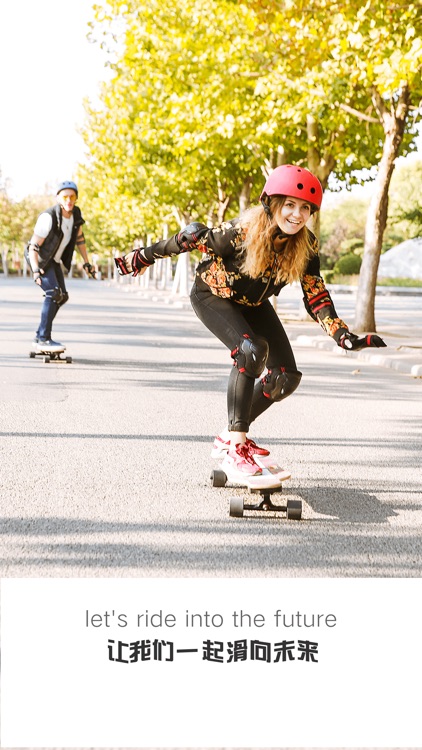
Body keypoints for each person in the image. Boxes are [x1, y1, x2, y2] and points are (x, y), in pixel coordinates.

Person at [115, 164, 386, 478]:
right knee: (251, 350)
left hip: (253, 304)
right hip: (212, 294)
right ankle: (236, 446)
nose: (297, 215)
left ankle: (229, 437)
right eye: (289, 205)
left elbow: (315, 294)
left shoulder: (307, 246)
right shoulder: (242, 231)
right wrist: (143, 257)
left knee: (285, 377)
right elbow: (192, 237)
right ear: (271, 204)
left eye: (305, 208)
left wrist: (343, 336)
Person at [26, 181, 96, 352]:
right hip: (40, 259)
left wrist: (87, 263)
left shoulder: (75, 215)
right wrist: (36, 270)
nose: (69, 200)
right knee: (53, 293)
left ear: (76, 198)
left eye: (72, 196)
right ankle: (44, 338)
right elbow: (33, 247)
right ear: (58, 198)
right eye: (65, 196)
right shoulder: (48, 217)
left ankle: (39, 335)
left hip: (54, 260)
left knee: (62, 296)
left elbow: (80, 239)